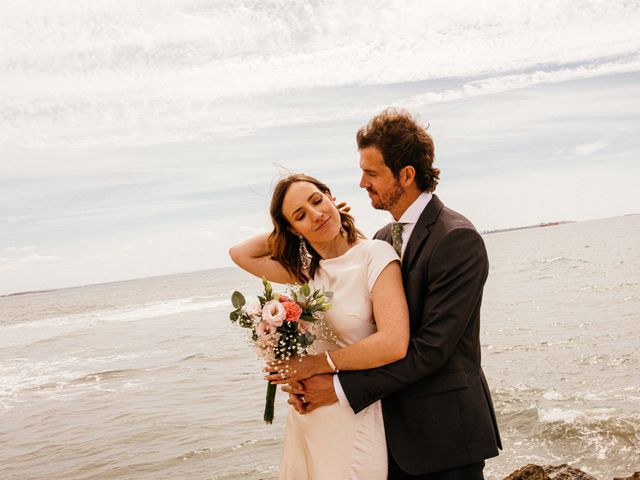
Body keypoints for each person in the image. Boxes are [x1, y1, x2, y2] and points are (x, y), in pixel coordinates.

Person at [284, 108, 502, 479]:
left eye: (371, 173)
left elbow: (431, 349)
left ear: (406, 174)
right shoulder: (384, 239)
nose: (362, 184)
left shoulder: (456, 238)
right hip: (391, 436)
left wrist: (336, 388)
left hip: (445, 435)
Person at [228, 173, 411, 479]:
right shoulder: (306, 273)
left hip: (353, 411)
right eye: (300, 215)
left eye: (318, 200)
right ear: (291, 228)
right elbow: (240, 253)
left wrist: (314, 365)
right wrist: (293, 230)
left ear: (330, 195)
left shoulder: (374, 254)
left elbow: (394, 343)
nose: (316, 214)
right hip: (308, 416)